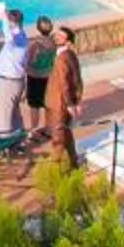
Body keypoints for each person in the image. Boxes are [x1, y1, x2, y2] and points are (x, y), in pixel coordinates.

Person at [43, 23, 85, 165]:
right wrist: (77, 101)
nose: (57, 37)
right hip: (61, 102)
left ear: (68, 41)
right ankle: (74, 161)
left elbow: (65, 83)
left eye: (61, 36)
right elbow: (78, 80)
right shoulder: (70, 55)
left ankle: (55, 167)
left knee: (58, 136)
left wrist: (69, 104)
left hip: (59, 103)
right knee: (66, 133)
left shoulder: (62, 58)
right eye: (57, 34)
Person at [0, 5, 31, 138]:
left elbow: (7, 31)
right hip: (15, 81)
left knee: (4, 115)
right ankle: (19, 140)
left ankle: (6, 145)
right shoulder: (22, 37)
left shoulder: (15, 39)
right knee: (14, 114)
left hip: (9, 83)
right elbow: (15, 62)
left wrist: (4, 18)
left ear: (12, 22)